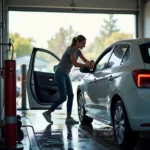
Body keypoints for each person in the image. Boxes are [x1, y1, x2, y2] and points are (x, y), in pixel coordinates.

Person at [42, 35, 94, 124]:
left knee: (71, 95)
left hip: (65, 75)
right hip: (59, 74)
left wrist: (91, 63)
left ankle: (68, 118)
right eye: (83, 43)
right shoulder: (70, 49)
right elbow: (75, 64)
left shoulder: (78, 52)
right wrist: (87, 65)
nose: (84, 46)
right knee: (63, 97)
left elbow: (85, 60)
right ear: (78, 42)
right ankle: (48, 112)